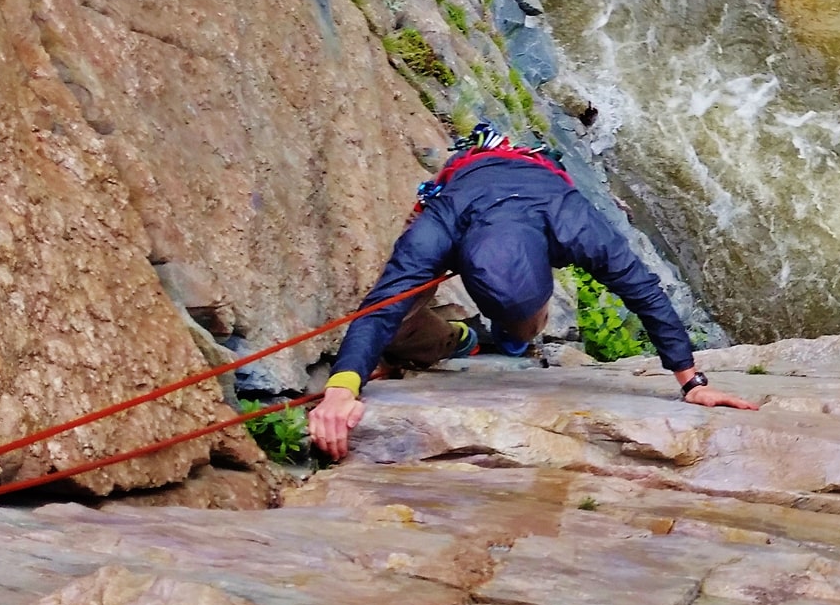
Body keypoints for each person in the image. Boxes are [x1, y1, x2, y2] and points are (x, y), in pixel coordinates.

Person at [309, 125, 758, 459]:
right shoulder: (436, 229)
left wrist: (691, 382)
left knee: (520, 327)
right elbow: (378, 308)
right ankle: (463, 338)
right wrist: (342, 388)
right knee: (396, 323)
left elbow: (643, 291)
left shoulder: (576, 225)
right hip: (463, 196)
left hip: (533, 191)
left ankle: (512, 336)